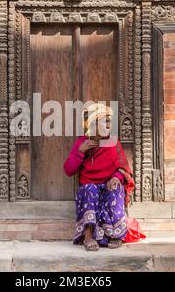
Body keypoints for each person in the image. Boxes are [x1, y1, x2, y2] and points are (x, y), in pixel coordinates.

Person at [63, 103, 139, 251]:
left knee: (116, 188)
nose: (109, 125)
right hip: (90, 187)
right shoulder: (82, 142)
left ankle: (116, 236)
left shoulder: (112, 141)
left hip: (107, 184)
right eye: (106, 121)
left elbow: (122, 167)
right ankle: (88, 236)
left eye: (110, 121)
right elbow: (69, 170)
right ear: (93, 124)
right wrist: (80, 152)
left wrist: (116, 177)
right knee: (89, 189)